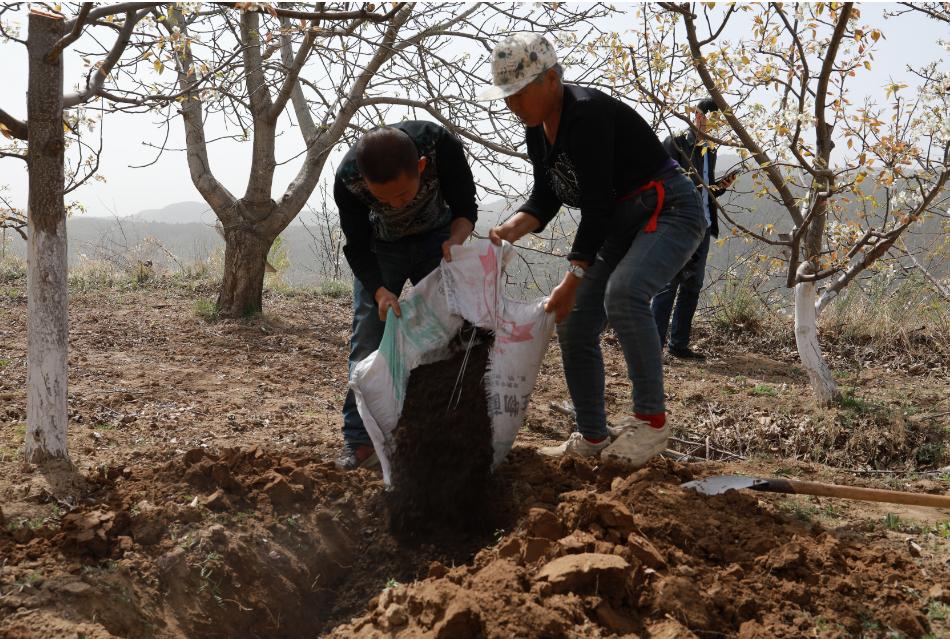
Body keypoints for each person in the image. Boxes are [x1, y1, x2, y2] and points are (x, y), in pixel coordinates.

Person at [480, 33, 707, 467]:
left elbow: (598, 204)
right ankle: (593, 437)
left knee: (624, 294)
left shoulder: (586, 116)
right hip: (620, 222)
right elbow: (547, 197)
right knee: (575, 319)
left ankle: (651, 422)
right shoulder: (537, 128)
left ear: (550, 79)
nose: (512, 105)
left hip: (668, 208)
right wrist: (510, 228)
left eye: (518, 93)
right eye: (505, 96)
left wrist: (574, 275)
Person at [334, 122, 478, 470]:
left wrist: (454, 243)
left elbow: (465, 206)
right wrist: (380, 291)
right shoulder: (348, 178)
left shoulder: (440, 145)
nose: (396, 204)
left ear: (421, 167)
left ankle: (451, 436)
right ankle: (360, 441)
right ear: (366, 183)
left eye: (402, 194)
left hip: (437, 241)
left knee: (448, 335)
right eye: (384, 199)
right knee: (368, 338)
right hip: (381, 249)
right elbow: (356, 245)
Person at [651, 98, 738, 360]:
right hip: (678, 226)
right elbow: (658, 185)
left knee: (693, 285)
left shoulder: (709, 148)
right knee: (669, 283)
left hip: (702, 226)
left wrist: (720, 187)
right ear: (699, 116)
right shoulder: (675, 142)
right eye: (714, 121)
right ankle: (653, 346)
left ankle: (679, 345)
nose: (717, 127)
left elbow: (704, 190)